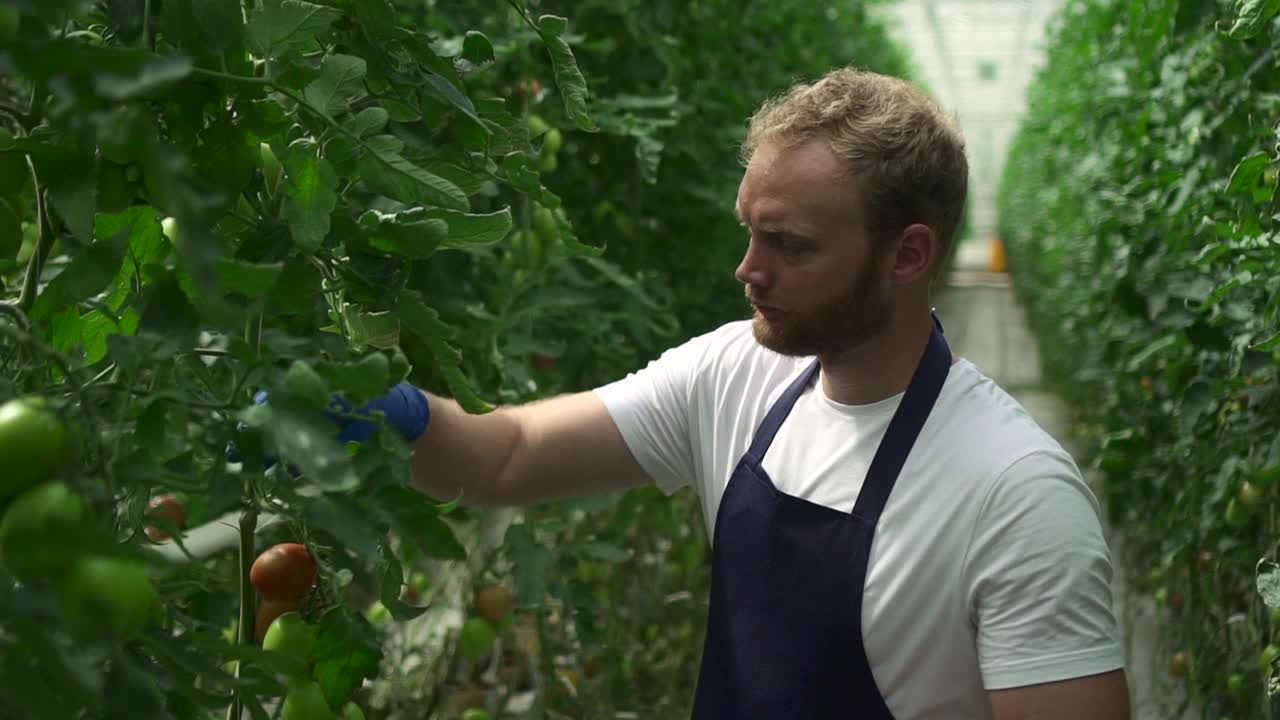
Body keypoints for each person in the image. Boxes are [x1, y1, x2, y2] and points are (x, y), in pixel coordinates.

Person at [291, 68, 1131, 719]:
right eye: (748, 230)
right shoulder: (734, 375)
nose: (748, 270)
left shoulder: (1014, 495)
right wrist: (381, 412)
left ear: (907, 255)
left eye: (790, 245)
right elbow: (505, 457)